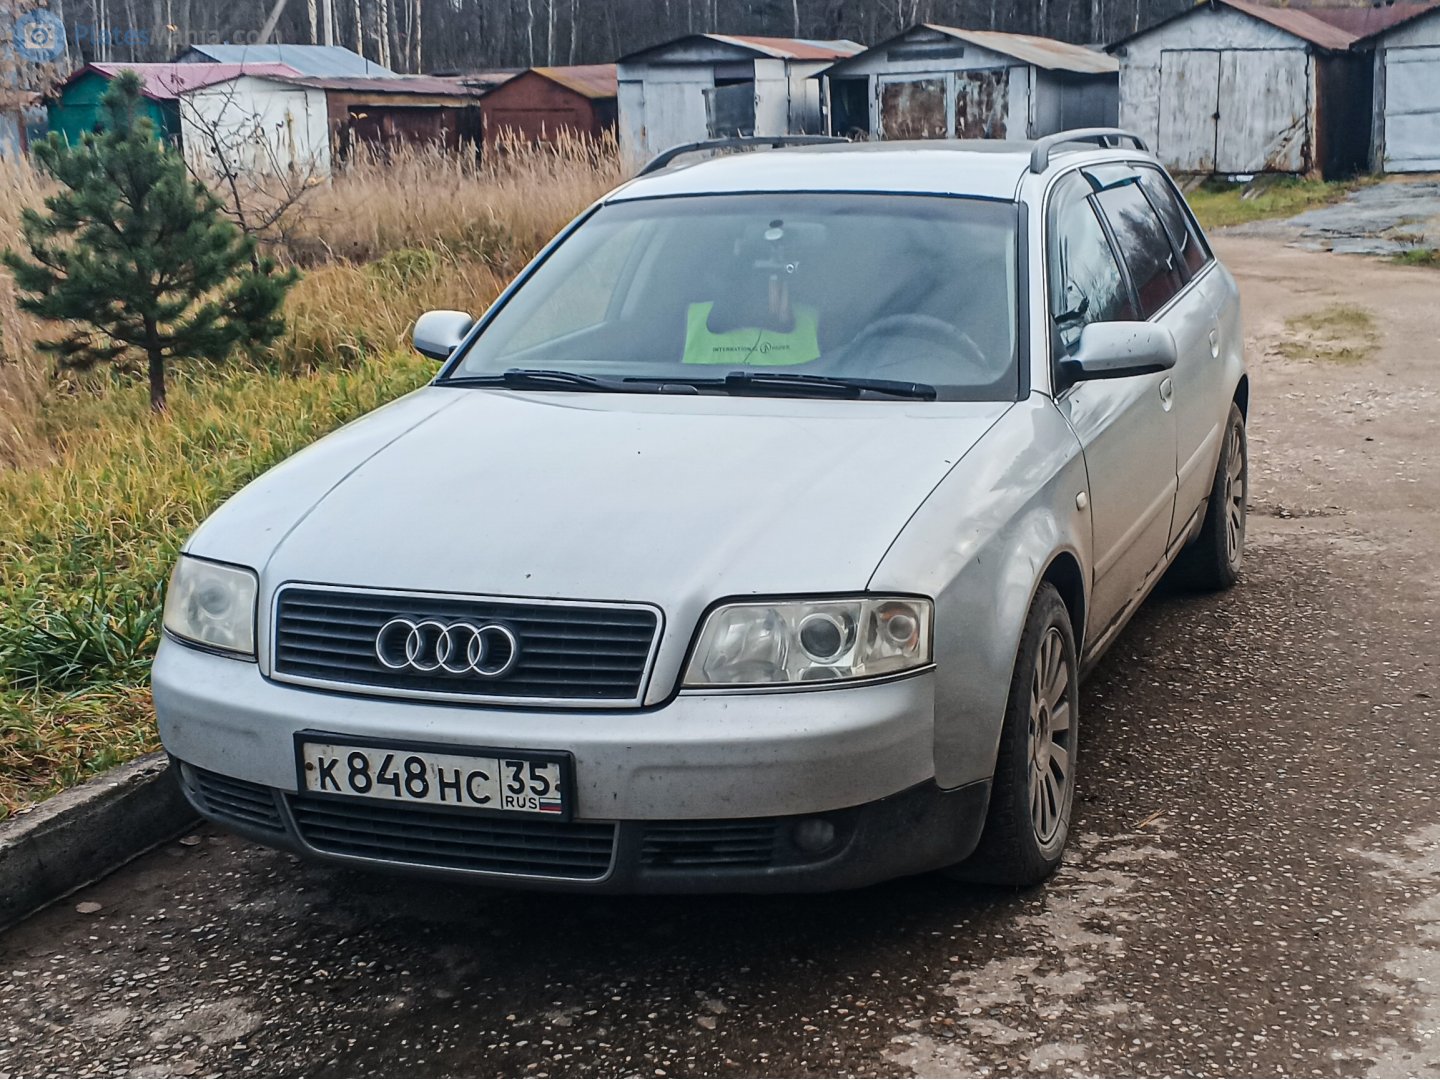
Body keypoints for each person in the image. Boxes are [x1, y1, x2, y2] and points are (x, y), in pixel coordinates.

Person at [681, 221, 821, 366]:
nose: (770, 287)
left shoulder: (817, 326)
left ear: (788, 283)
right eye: (761, 273)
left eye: (777, 274)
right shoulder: (686, 322)